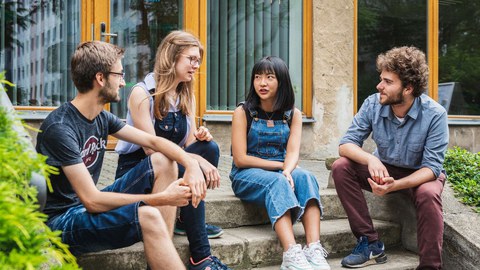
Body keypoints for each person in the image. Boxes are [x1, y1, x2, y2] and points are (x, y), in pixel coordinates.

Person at [36, 40, 207, 270]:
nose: (123, 82)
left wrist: (190, 163)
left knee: (163, 160)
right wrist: (162, 198)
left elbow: (153, 141)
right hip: (60, 221)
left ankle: (158, 261)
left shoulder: (101, 117)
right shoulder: (60, 127)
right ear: (100, 78)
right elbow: (93, 200)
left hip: (83, 206)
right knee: (149, 216)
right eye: (119, 74)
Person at [114, 30, 229, 270]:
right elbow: (150, 150)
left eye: (198, 60)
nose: (196, 66)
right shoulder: (142, 93)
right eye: (191, 59)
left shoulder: (186, 94)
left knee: (209, 148)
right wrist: (194, 162)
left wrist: (200, 140)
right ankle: (201, 255)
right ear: (172, 57)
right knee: (184, 160)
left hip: (172, 164)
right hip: (138, 172)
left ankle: (185, 220)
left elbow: (188, 147)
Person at [332, 46, 448, 269]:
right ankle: (370, 244)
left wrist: (396, 186)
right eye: (380, 79)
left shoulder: (435, 114)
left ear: (408, 88)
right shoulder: (372, 104)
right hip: (385, 168)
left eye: (387, 82)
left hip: (419, 175)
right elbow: (345, 145)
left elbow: (432, 169)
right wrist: (371, 160)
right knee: (341, 167)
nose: (379, 86)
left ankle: (430, 266)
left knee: (428, 193)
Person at [230, 56, 331, 270]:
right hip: (246, 174)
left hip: (281, 169)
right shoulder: (243, 112)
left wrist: (288, 169)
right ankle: (291, 253)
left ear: (281, 81)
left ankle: (313, 248)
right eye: (257, 77)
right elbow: (240, 158)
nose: (262, 83)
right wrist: (281, 169)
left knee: (306, 176)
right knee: (277, 182)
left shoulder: (292, 114)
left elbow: (293, 153)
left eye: (269, 77)